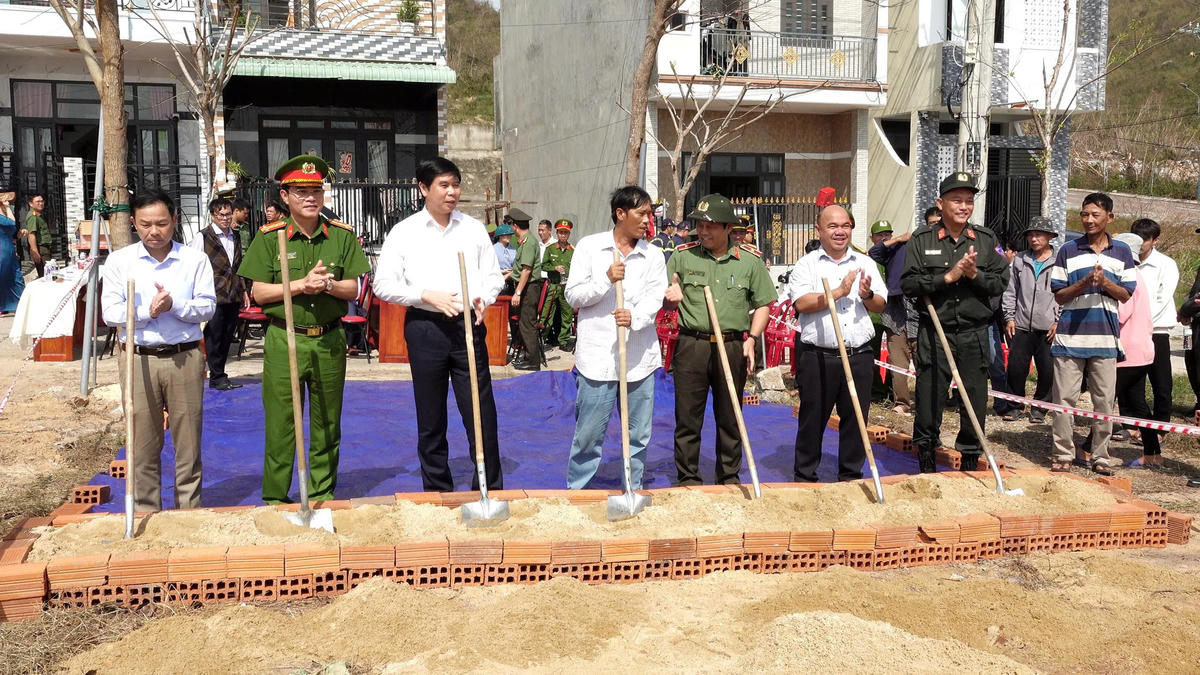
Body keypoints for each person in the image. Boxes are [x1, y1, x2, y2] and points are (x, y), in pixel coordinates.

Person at [238, 155, 370, 504]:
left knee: (327, 423)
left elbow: (353, 289)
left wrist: (327, 286)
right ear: (285, 196)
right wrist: (300, 286)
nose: (311, 198)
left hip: (328, 338)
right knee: (281, 424)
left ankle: (321, 494)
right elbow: (260, 293)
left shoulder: (340, 236)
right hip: (285, 338)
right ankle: (276, 500)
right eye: (301, 192)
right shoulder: (269, 238)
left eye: (316, 190)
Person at [373, 157, 505, 492]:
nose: (452, 192)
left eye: (455, 185)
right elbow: (383, 285)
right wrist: (424, 295)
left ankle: (488, 487)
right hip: (425, 327)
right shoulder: (405, 232)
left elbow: (493, 278)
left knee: (480, 410)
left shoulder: (473, 229)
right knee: (430, 414)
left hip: (467, 327)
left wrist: (483, 298)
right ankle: (437, 490)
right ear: (423, 188)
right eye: (443, 185)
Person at [101, 190, 216, 510]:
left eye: (162, 223)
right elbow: (110, 312)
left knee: (188, 443)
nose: (154, 231)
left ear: (175, 221)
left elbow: (207, 307)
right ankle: (145, 513)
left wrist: (174, 305)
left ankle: (187, 515)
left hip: (185, 357)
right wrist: (146, 312)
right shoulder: (120, 261)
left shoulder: (194, 260)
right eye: (146, 224)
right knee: (142, 443)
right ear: (134, 224)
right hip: (138, 359)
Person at [900, 173, 1010, 474]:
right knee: (929, 394)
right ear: (941, 203)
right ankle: (925, 454)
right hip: (935, 331)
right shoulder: (922, 240)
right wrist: (946, 278)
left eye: (969, 201)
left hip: (975, 332)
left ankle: (971, 456)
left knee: (974, 395)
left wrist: (974, 275)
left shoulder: (986, 241)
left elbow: (1001, 281)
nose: (964, 206)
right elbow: (907, 283)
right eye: (957, 200)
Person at [664, 193, 776, 485]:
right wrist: (670, 302)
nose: (703, 231)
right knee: (688, 417)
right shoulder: (682, 256)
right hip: (692, 344)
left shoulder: (749, 263)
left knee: (730, 415)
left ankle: (728, 477)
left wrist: (752, 338)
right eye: (699, 224)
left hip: (731, 344)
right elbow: (664, 302)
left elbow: (764, 303)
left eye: (710, 226)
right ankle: (688, 478)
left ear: (728, 228)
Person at [564, 187, 667, 489]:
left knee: (638, 435)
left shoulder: (654, 255)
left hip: (639, 359)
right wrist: (605, 280)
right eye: (642, 213)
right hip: (597, 359)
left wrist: (634, 317)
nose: (649, 220)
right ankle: (577, 493)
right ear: (621, 214)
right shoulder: (589, 248)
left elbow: (654, 298)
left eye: (650, 213)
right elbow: (573, 295)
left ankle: (631, 490)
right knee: (589, 434)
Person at [789, 205, 886, 482]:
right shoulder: (807, 264)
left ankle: (851, 476)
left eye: (845, 225)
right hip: (818, 356)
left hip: (859, 355)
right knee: (812, 419)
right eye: (833, 226)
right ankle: (805, 476)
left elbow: (880, 304)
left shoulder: (865, 263)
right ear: (819, 230)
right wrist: (839, 292)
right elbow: (802, 303)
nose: (840, 231)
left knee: (856, 417)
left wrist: (866, 295)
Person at [1047, 192, 1135, 475]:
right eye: (1084, 214)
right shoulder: (1068, 250)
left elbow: (1125, 294)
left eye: (1095, 215)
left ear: (1109, 217)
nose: (1088, 220)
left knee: (1104, 402)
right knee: (1063, 401)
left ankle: (1100, 455)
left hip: (1105, 340)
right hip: (1070, 338)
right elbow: (1059, 296)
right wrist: (1085, 282)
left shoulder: (1122, 252)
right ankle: (1062, 454)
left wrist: (1105, 282)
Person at [1107, 232, 1159, 467]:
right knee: (1138, 405)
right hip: (1142, 351)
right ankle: (1152, 454)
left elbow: (1121, 313)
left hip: (1128, 351)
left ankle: (1088, 448)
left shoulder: (1129, 279)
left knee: (1106, 399)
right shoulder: (1137, 276)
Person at [1126, 218, 1178, 450]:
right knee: (1131, 382)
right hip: (1131, 331)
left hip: (1156, 331)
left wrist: (1141, 321)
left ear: (1154, 240)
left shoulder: (1166, 265)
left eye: (1145, 240)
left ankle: (1160, 428)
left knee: (1161, 383)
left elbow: (1161, 299)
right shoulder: (1128, 262)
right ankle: (1130, 424)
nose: (1140, 245)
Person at [1002, 217, 1059, 423]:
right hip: (1021, 323)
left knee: (1047, 368)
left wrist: (1057, 321)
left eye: (1039, 234)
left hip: (1048, 326)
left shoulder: (1059, 261)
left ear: (1050, 236)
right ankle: (1014, 405)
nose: (1034, 239)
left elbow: (1063, 294)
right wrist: (1009, 316)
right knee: (1016, 367)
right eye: (1031, 235)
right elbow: (1010, 290)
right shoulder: (1020, 260)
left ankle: (1040, 407)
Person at [189, 198, 250, 391]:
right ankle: (216, 375)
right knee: (213, 335)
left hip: (232, 293)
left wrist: (244, 291)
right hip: (212, 293)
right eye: (221, 215)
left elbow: (238, 267)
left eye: (228, 214)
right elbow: (193, 266)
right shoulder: (203, 237)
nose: (225, 218)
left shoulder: (236, 236)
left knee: (227, 335)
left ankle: (220, 373)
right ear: (213, 216)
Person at [868, 219, 915, 415]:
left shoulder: (905, 249)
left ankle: (914, 398)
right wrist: (896, 239)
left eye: (888, 233)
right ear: (873, 238)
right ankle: (891, 396)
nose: (885, 237)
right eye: (880, 235)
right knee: (886, 359)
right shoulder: (878, 254)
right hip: (884, 313)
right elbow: (875, 252)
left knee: (914, 359)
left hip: (911, 307)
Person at [509, 208, 544, 371]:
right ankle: (530, 357)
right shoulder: (526, 241)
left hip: (529, 288)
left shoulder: (529, 242)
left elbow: (527, 270)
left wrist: (517, 292)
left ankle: (533, 361)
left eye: (511, 226)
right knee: (524, 323)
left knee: (527, 324)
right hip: (527, 286)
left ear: (515, 226)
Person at [540, 218, 576, 352]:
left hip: (566, 287)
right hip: (553, 286)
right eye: (560, 232)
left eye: (565, 233)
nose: (563, 235)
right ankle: (541, 338)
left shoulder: (573, 251)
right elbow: (543, 265)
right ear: (556, 233)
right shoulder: (550, 249)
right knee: (547, 314)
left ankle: (564, 341)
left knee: (567, 315)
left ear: (569, 234)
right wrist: (554, 268)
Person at [0, 189, 26, 314]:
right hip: (2, 251)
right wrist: (8, 207)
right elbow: (11, 223)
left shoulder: (4, 212)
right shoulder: (4, 214)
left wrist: (19, 234)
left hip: (8, 249)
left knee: (15, 277)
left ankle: (19, 304)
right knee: (4, 276)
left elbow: (12, 232)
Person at [20, 193, 51, 278]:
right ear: (31, 204)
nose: (41, 203)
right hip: (40, 248)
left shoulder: (38, 215)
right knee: (46, 275)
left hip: (43, 248)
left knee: (47, 273)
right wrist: (35, 252)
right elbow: (31, 234)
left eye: (42, 201)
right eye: (37, 201)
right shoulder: (33, 216)